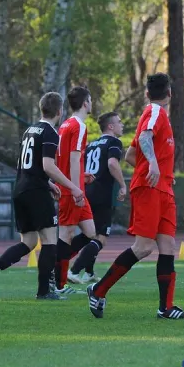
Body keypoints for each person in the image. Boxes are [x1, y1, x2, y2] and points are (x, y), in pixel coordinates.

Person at [86, 72, 184, 320]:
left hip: (163, 188)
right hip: (150, 190)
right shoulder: (155, 112)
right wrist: (154, 167)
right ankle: (98, 290)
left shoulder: (156, 115)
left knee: (167, 245)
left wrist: (161, 172)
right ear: (170, 93)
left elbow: (131, 155)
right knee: (144, 247)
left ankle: (165, 308)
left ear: (146, 92)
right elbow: (145, 138)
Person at [0, 92, 84, 301]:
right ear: (60, 111)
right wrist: (73, 187)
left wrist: (48, 183)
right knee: (49, 240)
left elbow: (28, 165)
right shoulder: (51, 133)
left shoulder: (29, 130)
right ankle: (44, 291)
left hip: (21, 189)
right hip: (36, 192)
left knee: (28, 241)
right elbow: (47, 166)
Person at [67, 112, 127, 284]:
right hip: (102, 195)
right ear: (110, 126)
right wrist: (122, 185)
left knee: (89, 234)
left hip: (87, 192)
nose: (121, 125)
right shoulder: (114, 142)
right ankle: (74, 270)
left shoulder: (92, 144)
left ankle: (88, 272)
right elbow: (112, 164)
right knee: (101, 237)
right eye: (119, 122)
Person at [52, 86, 97, 295]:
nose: (92, 103)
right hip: (71, 190)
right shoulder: (78, 126)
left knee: (90, 233)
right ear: (86, 102)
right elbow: (72, 158)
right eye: (91, 100)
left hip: (74, 185)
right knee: (67, 234)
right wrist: (76, 187)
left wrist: (82, 176)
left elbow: (63, 159)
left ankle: (57, 267)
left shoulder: (65, 125)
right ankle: (58, 282)